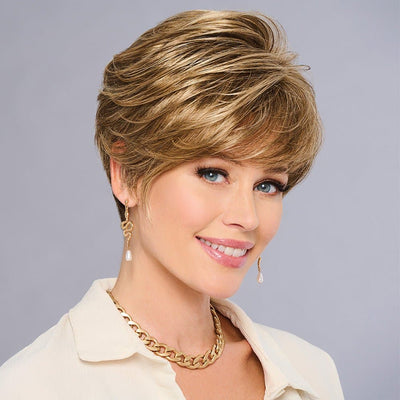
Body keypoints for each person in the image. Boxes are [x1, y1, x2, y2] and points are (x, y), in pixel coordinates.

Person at [0, 10, 344, 400]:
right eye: (213, 173)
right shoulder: (32, 386)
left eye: (267, 185)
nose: (247, 217)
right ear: (127, 176)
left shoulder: (311, 372)